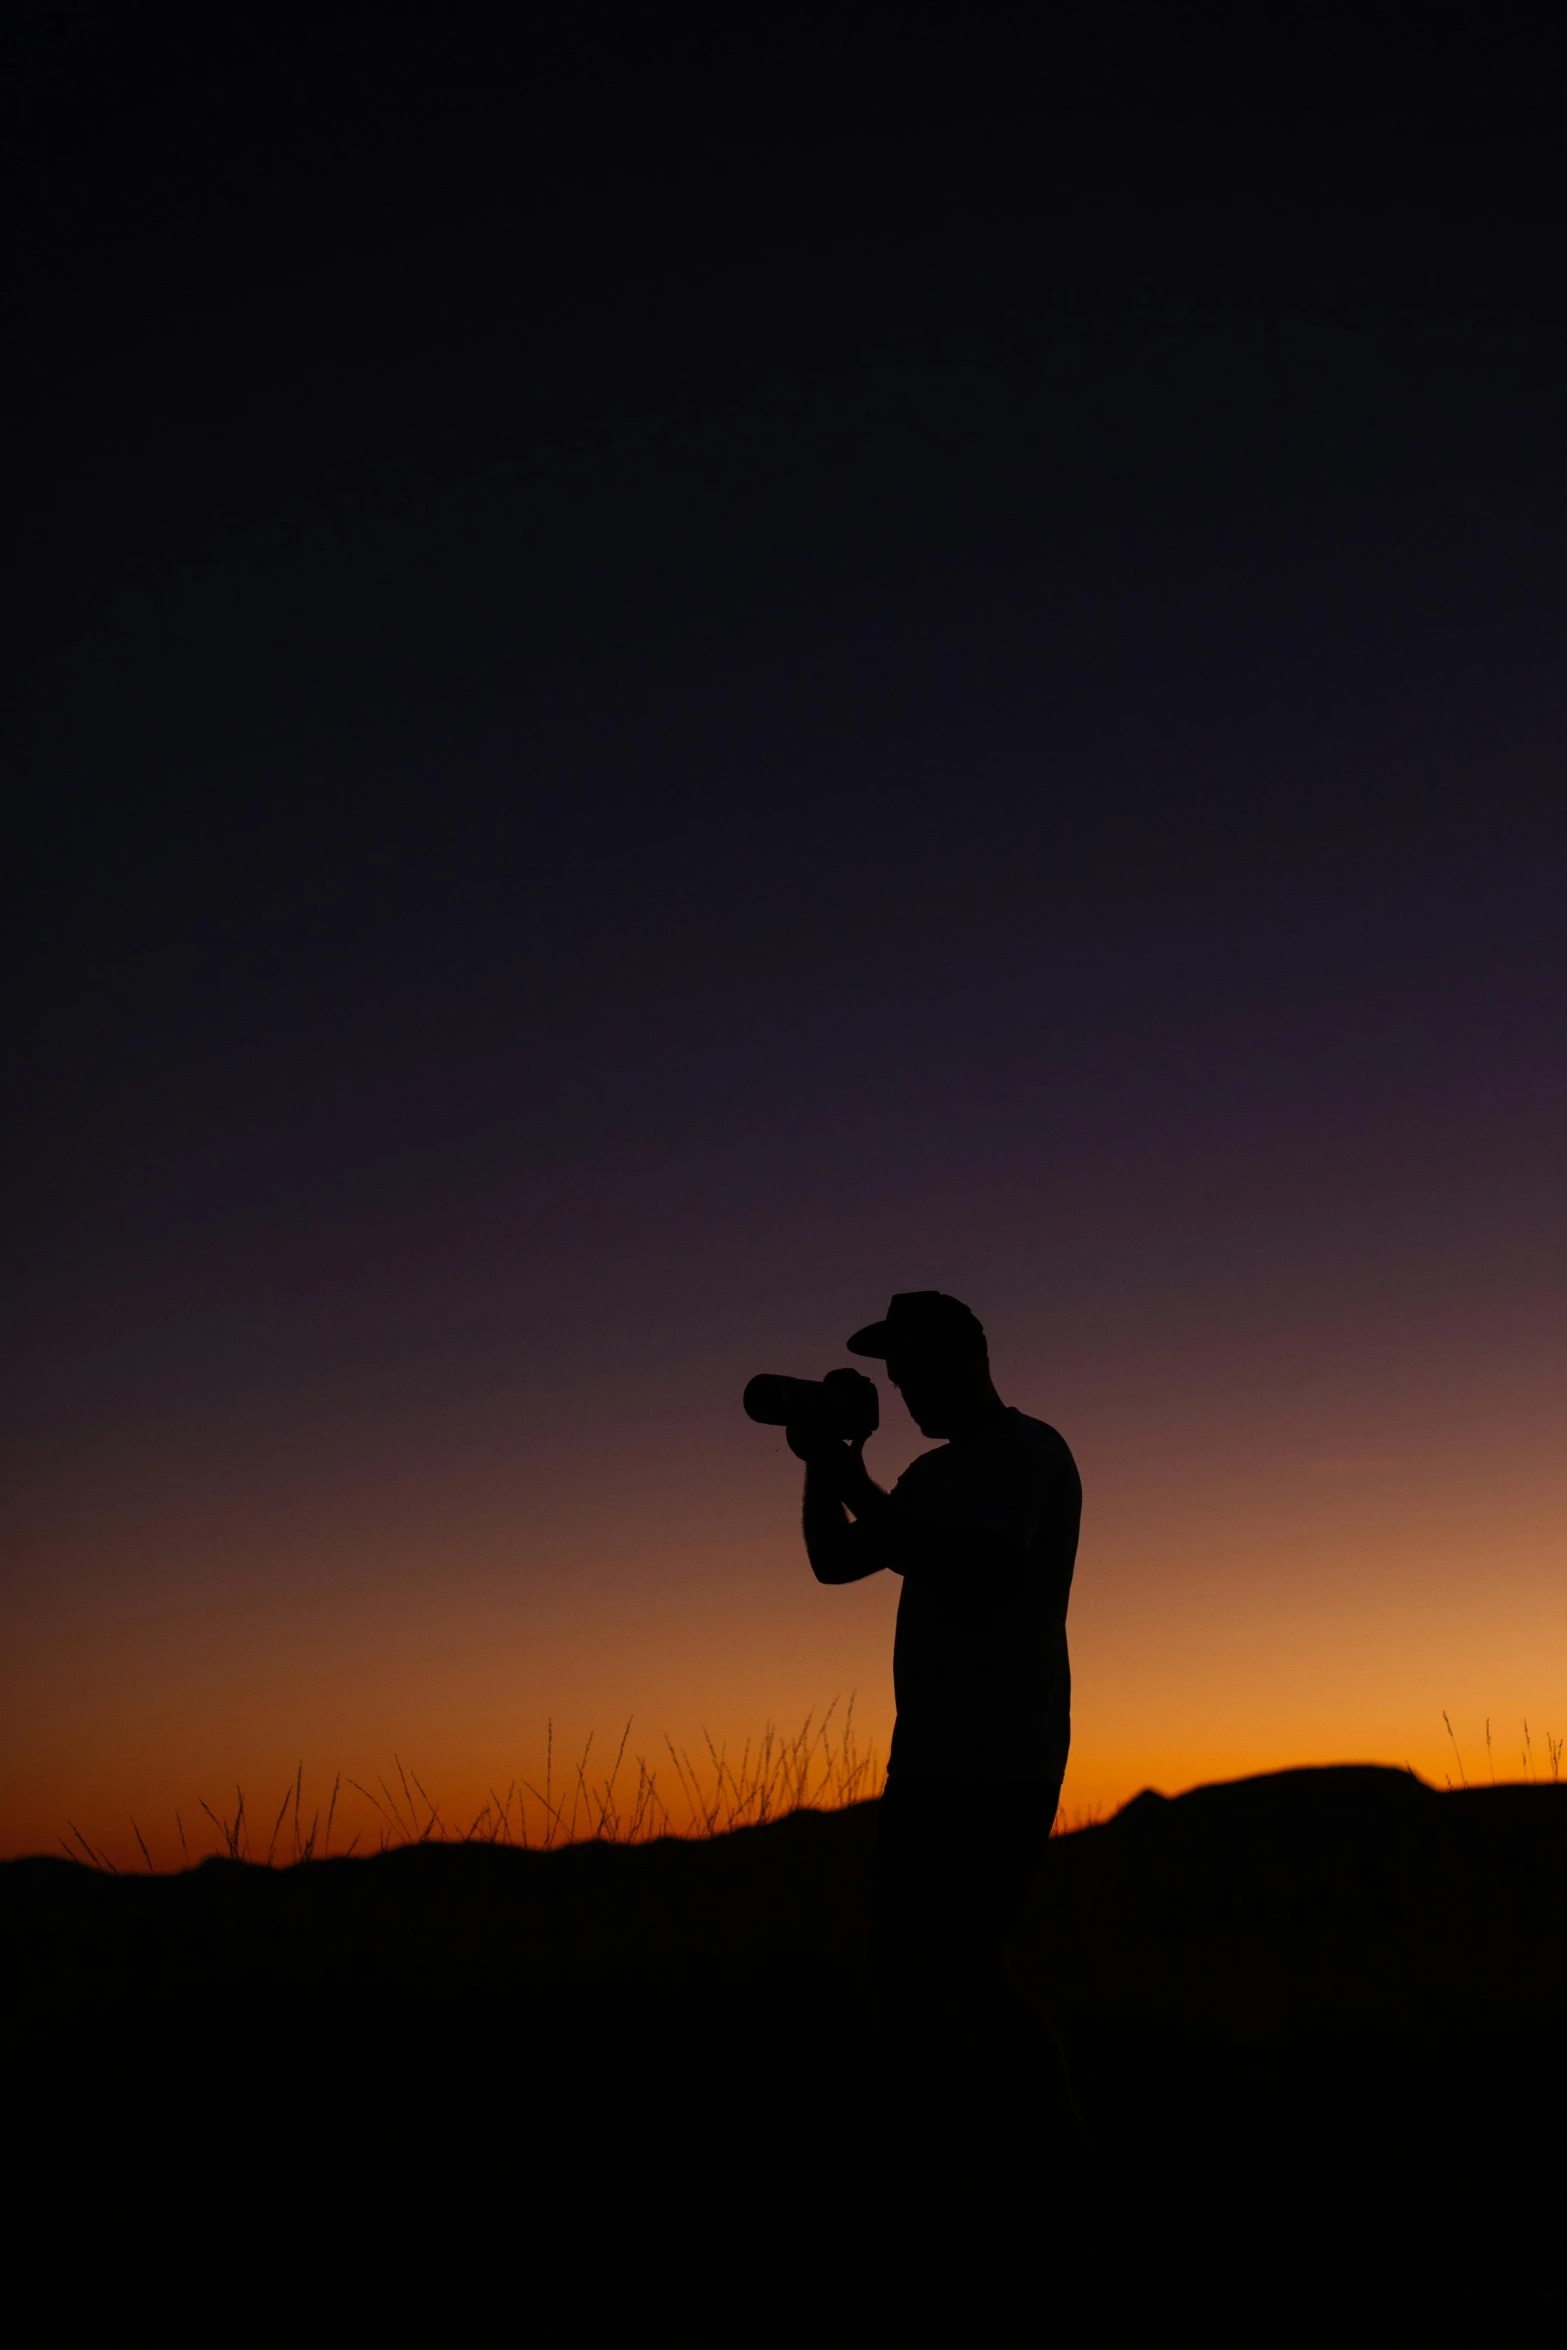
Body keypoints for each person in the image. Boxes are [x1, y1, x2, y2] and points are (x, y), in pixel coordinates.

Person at [791, 1289, 1083, 2187]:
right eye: (893, 1374)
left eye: (912, 1370)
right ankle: (954, 2140)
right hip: (927, 1756)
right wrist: (821, 1466)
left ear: (965, 1359)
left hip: (1003, 1754)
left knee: (966, 1966)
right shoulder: (926, 1477)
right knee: (907, 1965)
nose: (903, 1390)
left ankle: (1047, 2145)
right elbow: (835, 1562)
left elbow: (978, 1565)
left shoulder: (1026, 1454)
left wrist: (854, 1484)